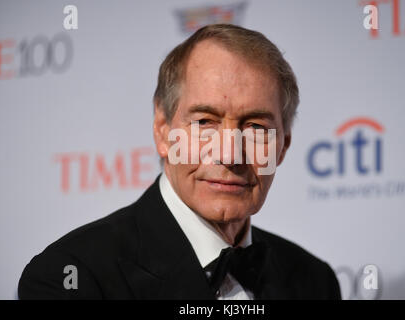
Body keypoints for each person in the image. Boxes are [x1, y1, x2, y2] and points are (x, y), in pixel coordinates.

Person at [18, 24, 341, 300]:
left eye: (255, 127)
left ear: (282, 146)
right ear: (163, 131)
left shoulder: (314, 281)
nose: (229, 154)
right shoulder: (71, 277)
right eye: (204, 122)